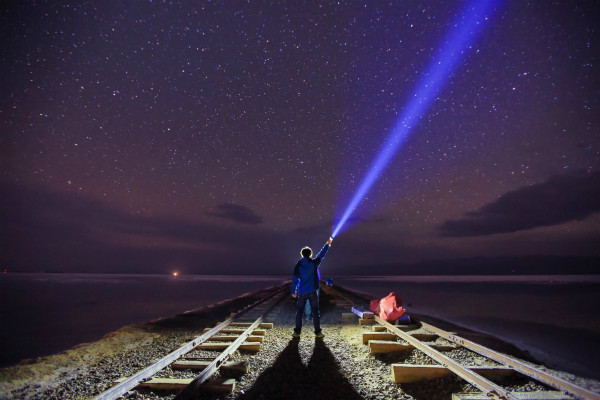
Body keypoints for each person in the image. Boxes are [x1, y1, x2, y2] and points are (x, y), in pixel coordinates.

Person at [291, 237, 333, 338]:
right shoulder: (314, 264)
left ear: (302, 254)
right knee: (315, 312)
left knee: (299, 312)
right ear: (310, 254)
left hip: (302, 292)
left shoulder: (298, 265)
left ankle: (297, 332)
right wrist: (327, 244)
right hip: (313, 292)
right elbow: (321, 254)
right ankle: (318, 332)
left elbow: (294, 280)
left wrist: (293, 291)